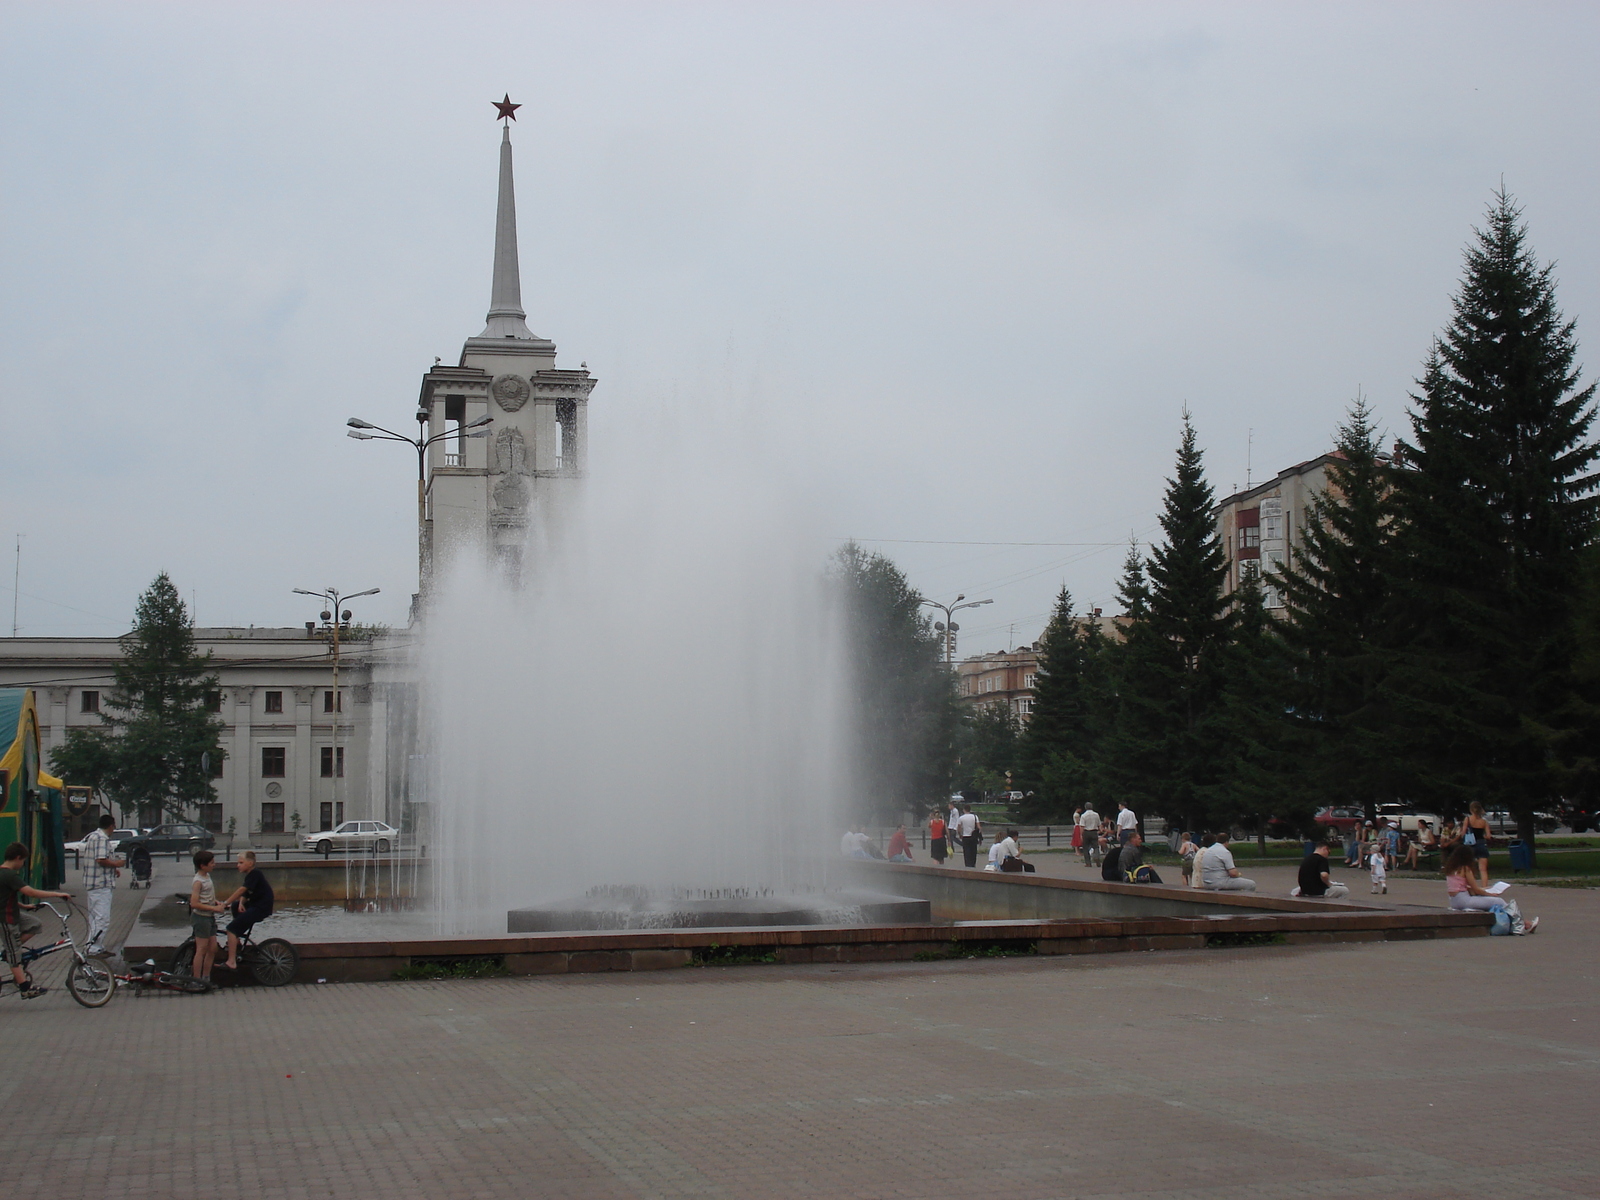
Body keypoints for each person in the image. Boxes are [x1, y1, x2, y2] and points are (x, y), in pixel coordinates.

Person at [1, 842, 72, 1000]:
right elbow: (30, 891)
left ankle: (12, 947)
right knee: (15, 957)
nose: (23, 864)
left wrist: (24, 905)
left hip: (14, 913)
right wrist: (56, 894)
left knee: (34, 924)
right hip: (5, 919)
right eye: (23, 861)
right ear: (18, 858)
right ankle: (25, 988)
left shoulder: (4, 874)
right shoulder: (9, 875)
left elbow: (5, 896)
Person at [1444, 845, 1537, 933]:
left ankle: (1522, 923)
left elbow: (1463, 887)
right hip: (1464, 900)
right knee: (1499, 901)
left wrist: (1486, 889)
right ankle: (1526, 923)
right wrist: (1490, 894)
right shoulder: (1465, 868)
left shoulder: (1451, 869)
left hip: (1454, 901)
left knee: (1490, 901)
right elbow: (1475, 889)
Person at [219, 850, 275, 971]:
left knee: (231, 929)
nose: (237, 865)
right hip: (255, 904)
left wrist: (225, 903)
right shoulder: (251, 875)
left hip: (260, 907)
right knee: (235, 906)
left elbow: (241, 890)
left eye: (240, 862)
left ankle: (231, 961)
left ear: (250, 863)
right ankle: (236, 941)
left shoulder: (255, 873)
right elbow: (247, 891)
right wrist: (241, 902)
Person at [81, 814, 125, 958]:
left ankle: (94, 946)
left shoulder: (93, 836)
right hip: (101, 884)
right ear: (111, 826)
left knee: (94, 917)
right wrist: (116, 864)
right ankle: (94, 949)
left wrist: (113, 869)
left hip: (93, 883)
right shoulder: (101, 838)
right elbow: (101, 859)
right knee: (102, 918)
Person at [189, 850, 227, 986]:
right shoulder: (198, 881)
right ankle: (196, 979)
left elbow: (206, 897)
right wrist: (214, 908)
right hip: (201, 918)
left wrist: (215, 902)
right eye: (211, 863)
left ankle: (206, 978)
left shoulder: (207, 877)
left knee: (212, 949)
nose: (214, 865)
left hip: (209, 918)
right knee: (201, 949)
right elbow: (194, 903)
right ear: (202, 865)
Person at [1461, 801, 1492, 886]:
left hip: (1470, 844)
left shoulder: (1468, 819)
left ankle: (1471, 886)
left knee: (1469, 868)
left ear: (1471, 809)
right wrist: (1482, 837)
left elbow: (1463, 832)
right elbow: (1488, 836)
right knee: (1483, 869)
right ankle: (1484, 887)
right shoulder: (1484, 821)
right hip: (1481, 844)